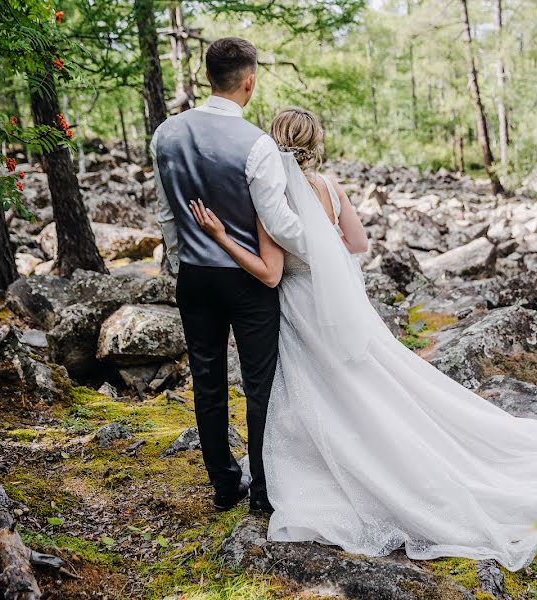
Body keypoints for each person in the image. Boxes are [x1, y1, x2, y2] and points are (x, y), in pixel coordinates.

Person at [189, 106, 537, 571]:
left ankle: (335, 466)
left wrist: (220, 235)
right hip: (338, 304)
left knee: (315, 393)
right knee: (368, 383)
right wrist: (326, 243)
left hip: (298, 305)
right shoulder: (331, 188)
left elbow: (272, 275)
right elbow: (357, 245)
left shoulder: (270, 200)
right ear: (315, 144)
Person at [151, 37, 305, 513]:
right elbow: (276, 223)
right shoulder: (257, 144)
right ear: (249, 82)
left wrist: (181, 262)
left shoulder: (165, 135)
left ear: (207, 77)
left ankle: (223, 485)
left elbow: (165, 215)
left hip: (194, 277)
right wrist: (313, 248)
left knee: (207, 379)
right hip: (246, 280)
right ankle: (262, 493)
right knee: (260, 384)